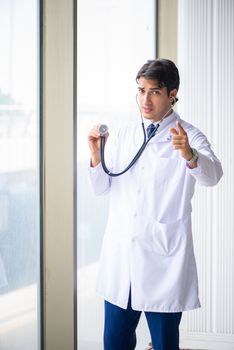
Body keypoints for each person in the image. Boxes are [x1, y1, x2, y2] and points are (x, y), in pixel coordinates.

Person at [87, 58, 223, 350]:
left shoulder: (189, 134)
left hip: (162, 260)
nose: (144, 100)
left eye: (154, 92)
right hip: (122, 259)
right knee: (114, 342)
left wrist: (189, 154)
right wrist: (96, 156)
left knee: (164, 344)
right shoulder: (125, 133)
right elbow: (101, 188)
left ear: (172, 93)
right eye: (140, 90)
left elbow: (213, 176)